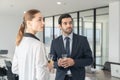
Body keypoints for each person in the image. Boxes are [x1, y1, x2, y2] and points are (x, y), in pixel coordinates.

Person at [50, 14, 93, 80]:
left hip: (78, 77)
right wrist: (57, 63)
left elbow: (90, 60)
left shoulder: (82, 40)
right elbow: (50, 61)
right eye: (65, 23)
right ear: (60, 26)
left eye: (70, 23)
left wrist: (74, 62)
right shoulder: (54, 42)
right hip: (61, 78)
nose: (69, 25)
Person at [12, 9, 49, 80]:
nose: (43, 23)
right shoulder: (38, 45)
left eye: (43, 20)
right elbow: (42, 77)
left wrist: (27, 72)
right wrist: (48, 68)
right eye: (39, 20)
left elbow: (15, 69)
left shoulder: (19, 42)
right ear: (29, 23)